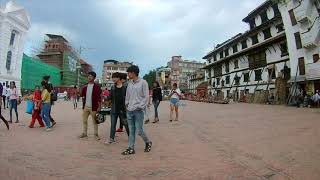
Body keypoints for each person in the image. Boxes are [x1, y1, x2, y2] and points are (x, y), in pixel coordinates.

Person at [122, 65, 152, 155]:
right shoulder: (130, 83)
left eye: (129, 73)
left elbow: (146, 97)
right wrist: (127, 105)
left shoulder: (143, 82)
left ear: (134, 73)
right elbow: (127, 96)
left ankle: (147, 142)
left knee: (139, 130)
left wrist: (140, 106)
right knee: (131, 130)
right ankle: (131, 148)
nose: (128, 74)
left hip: (138, 111)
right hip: (130, 110)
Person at [106, 72, 130, 144]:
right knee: (113, 125)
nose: (113, 79)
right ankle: (111, 139)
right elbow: (110, 97)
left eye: (114, 77)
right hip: (114, 109)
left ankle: (131, 137)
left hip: (123, 110)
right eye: (112, 77)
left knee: (126, 124)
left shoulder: (125, 87)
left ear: (119, 78)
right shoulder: (113, 87)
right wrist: (105, 98)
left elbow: (128, 97)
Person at [79, 71, 102, 140]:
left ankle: (96, 134)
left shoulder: (97, 87)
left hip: (94, 107)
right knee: (84, 120)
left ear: (94, 78)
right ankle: (84, 133)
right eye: (88, 76)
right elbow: (81, 95)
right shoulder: (85, 87)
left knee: (95, 121)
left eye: (91, 76)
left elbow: (99, 98)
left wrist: (99, 106)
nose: (89, 77)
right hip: (86, 106)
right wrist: (80, 88)